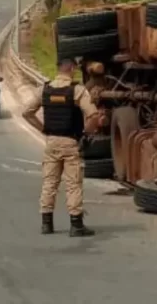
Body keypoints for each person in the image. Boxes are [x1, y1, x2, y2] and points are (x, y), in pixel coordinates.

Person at [22, 58, 103, 237]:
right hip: (70, 142)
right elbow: (93, 115)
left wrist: (43, 128)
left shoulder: (44, 89)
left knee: (49, 182)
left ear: (58, 69)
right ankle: (76, 226)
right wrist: (85, 134)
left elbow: (26, 112)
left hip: (51, 142)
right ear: (72, 69)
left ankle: (46, 224)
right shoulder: (77, 90)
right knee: (73, 184)